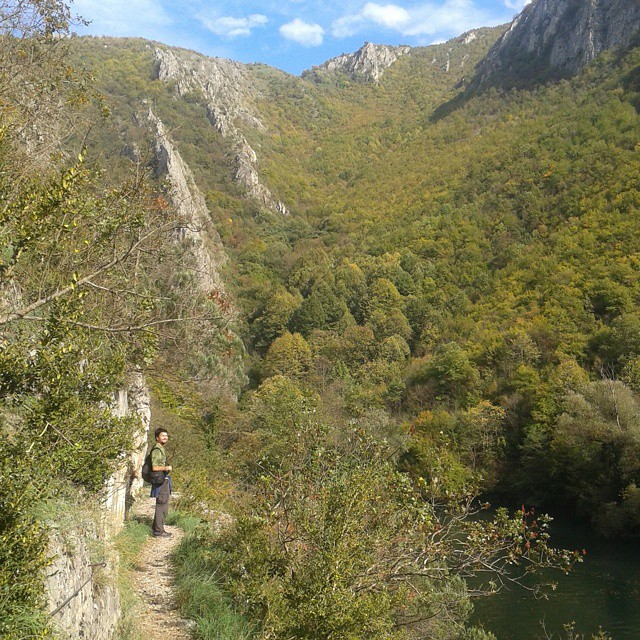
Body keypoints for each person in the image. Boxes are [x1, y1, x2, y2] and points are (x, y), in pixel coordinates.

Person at [150, 427, 173, 538]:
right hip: (160, 481)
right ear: (157, 438)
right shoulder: (157, 450)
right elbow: (154, 467)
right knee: (162, 505)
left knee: (163, 504)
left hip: (163, 480)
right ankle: (159, 531)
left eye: (166, 436)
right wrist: (166, 468)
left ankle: (157, 528)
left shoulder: (160, 449)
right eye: (163, 436)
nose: (165, 437)